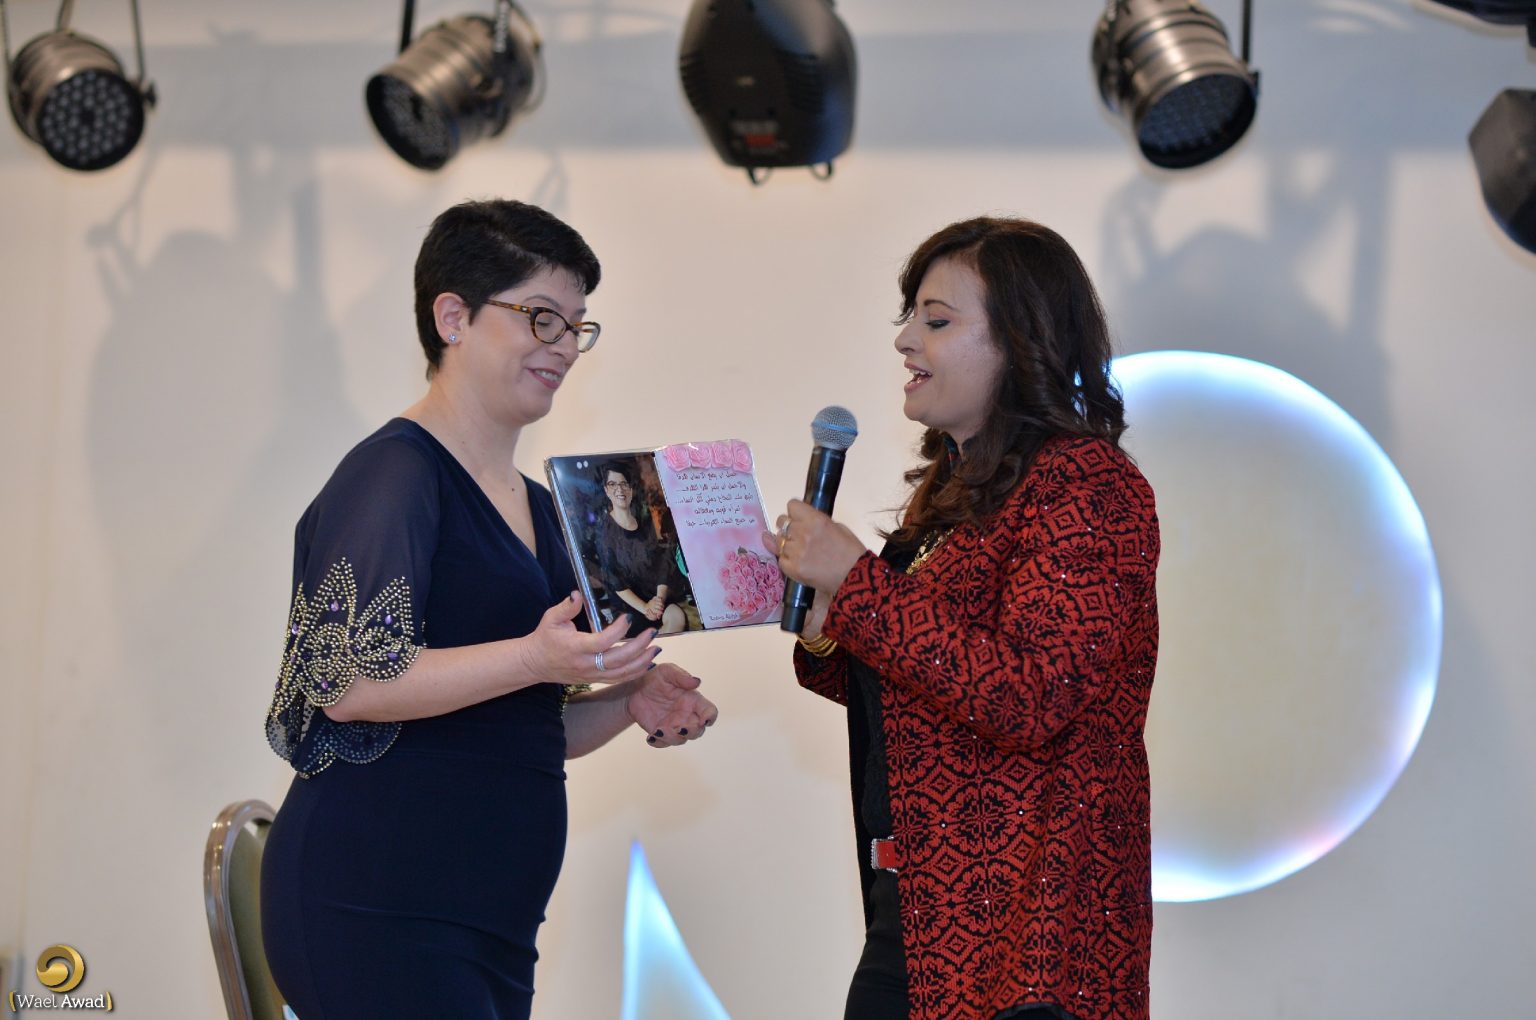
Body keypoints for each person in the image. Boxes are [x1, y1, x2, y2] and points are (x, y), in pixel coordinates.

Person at [260, 199, 718, 1020]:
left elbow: (517, 728)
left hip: (488, 919)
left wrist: (625, 701)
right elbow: (348, 684)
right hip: (378, 904)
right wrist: (536, 658)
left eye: (576, 326)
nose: (564, 347)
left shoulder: (538, 506)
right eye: (541, 318)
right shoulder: (395, 473)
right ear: (453, 319)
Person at [766, 217, 1159, 1020]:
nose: (906, 341)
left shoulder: (1088, 485)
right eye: (909, 317)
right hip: (917, 914)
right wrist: (825, 620)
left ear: (1020, 339)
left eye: (937, 321)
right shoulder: (954, 498)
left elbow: (1033, 695)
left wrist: (859, 582)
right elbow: (923, 684)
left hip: (1030, 935)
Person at [595, 460, 690, 636]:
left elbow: (662, 564)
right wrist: (645, 607)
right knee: (644, 636)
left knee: (677, 617)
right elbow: (615, 580)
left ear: (631, 489)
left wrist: (658, 600)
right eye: (613, 484)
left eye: (624, 483)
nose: (620, 489)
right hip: (629, 607)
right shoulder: (604, 533)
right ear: (606, 490)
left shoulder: (645, 522)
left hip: (656, 599)